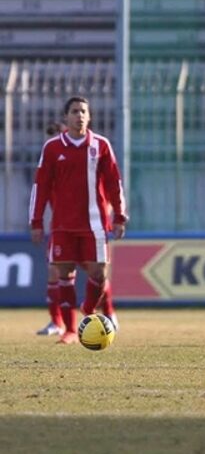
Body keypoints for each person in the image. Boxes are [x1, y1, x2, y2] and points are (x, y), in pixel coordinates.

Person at [29, 97, 128, 344]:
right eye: (75, 111)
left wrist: (119, 215)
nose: (80, 115)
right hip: (63, 224)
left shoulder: (101, 145)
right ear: (66, 117)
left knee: (99, 273)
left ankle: (89, 308)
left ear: (90, 116)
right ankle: (70, 330)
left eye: (84, 111)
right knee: (63, 272)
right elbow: (40, 186)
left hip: (94, 224)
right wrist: (36, 221)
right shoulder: (52, 148)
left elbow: (114, 182)